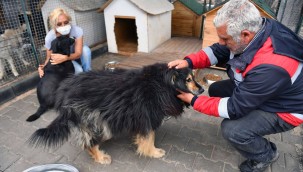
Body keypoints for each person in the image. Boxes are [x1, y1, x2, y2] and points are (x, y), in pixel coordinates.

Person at [168, 0, 303, 171]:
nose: (220, 42)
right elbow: (218, 51)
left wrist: (193, 101)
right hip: (264, 90)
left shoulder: (271, 67)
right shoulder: (259, 30)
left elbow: (234, 108)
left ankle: (265, 154)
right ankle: (250, 123)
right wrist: (188, 62)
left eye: (224, 38)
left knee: (232, 129)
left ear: (245, 35)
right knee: (216, 89)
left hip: (285, 109)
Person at [38, 8, 91, 78]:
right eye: (59, 24)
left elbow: (78, 53)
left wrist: (65, 57)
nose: (63, 26)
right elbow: (49, 57)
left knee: (86, 50)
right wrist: (43, 68)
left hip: (73, 56)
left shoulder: (77, 30)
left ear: (69, 21)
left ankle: (89, 74)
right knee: (79, 71)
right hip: (63, 61)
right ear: (54, 25)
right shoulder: (49, 37)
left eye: (66, 22)